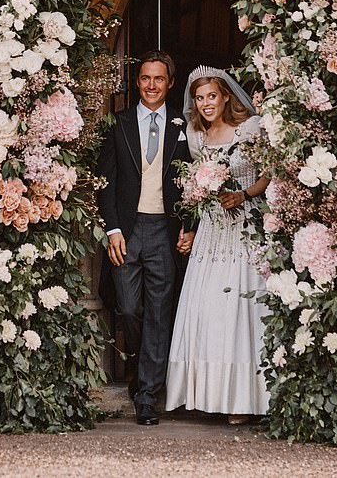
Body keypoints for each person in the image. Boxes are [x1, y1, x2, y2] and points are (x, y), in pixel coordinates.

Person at [165, 66, 270, 424]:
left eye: (212, 96)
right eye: (200, 98)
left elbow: (267, 174)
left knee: (240, 310)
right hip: (212, 231)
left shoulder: (250, 129)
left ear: (226, 96)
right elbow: (196, 192)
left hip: (244, 226)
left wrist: (243, 193)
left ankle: (243, 399)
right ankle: (207, 394)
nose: (206, 103)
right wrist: (191, 226)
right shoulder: (196, 136)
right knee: (208, 308)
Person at [97, 51, 193, 426]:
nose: (151, 85)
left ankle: (148, 395)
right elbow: (105, 182)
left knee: (158, 313)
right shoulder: (118, 124)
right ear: (137, 83)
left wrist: (188, 225)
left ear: (170, 83)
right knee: (129, 308)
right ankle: (139, 369)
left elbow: (192, 184)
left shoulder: (182, 126)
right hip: (127, 229)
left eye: (158, 79)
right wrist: (113, 229)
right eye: (144, 79)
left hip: (163, 231)